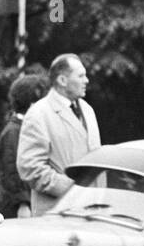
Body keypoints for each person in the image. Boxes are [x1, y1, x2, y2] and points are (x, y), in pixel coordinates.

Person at [16, 53, 102, 215]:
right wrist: (71, 189)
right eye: (81, 76)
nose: (87, 80)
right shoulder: (38, 113)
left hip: (89, 211)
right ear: (62, 81)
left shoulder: (88, 110)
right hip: (55, 214)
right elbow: (30, 167)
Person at [0, 72, 48, 218]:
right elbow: (12, 171)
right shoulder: (14, 132)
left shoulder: (25, 128)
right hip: (16, 208)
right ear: (33, 103)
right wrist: (22, 204)